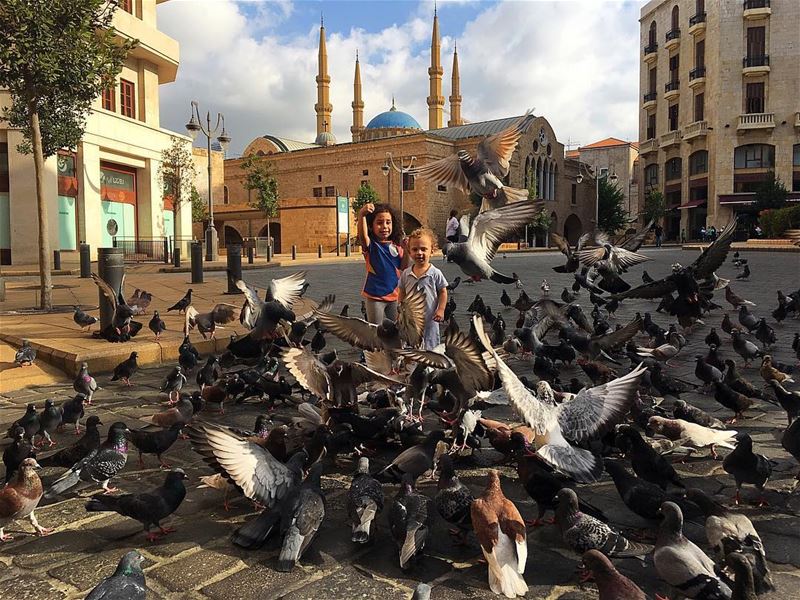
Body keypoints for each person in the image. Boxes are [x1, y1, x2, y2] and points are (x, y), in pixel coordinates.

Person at [357, 203, 408, 324]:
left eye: (388, 222)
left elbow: (403, 267)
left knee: (397, 330)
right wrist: (361, 215)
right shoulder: (371, 246)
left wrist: (406, 250)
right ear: (371, 226)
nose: (384, 226)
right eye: (379, 223)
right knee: (376, 330)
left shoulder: (397, 246)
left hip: (395, 296)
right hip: (375, 297)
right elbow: (363, 237)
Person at [399, 228, 448, 350]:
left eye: (423, 249)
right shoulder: (406, 274)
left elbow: (443, 292)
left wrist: (441, 309)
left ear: (432, 251)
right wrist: (400, 310)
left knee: (431, 348)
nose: (419, 253)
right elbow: (402, 292)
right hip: (411, 321)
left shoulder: (435, 273)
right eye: (415, 249)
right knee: (412, 347)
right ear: (409, 252)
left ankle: (430, 368)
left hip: (430, 319)